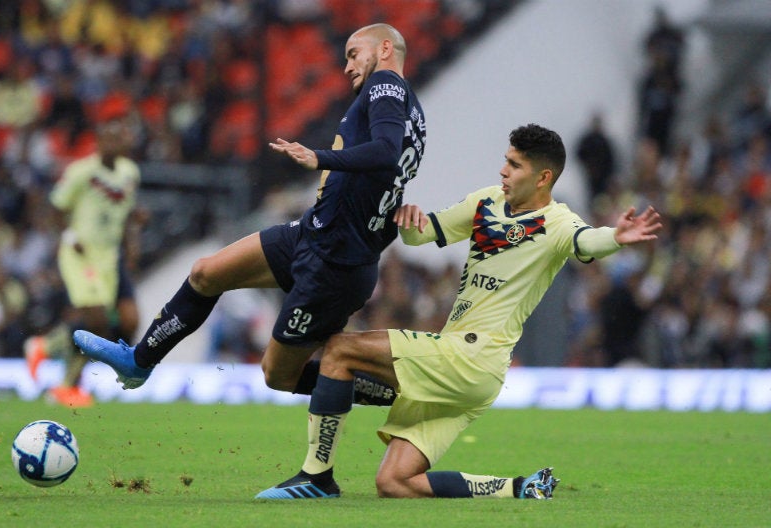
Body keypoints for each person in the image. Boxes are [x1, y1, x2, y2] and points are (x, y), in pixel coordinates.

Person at [256, 124, 662, 500]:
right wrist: (408, 216)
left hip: (471, 358)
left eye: (515, 164)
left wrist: (617, 237)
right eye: (505, 159)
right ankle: (522, 488)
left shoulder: (557, 222)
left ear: (543, 178)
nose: (503, 170)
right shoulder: (486, 202)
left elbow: (587, 241)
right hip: (470, 371)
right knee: (394, 483)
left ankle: (316, 478)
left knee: (341, 350)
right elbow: (420, 235)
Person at [73, 23, 426, 406]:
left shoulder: (385, 86)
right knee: (206, 273)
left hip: (334, 260)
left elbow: (386, 153)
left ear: (386, 48)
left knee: (278, 374)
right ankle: (138, 362)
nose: (346, 66)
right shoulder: (414, 113)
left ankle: (399, 390)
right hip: (312, 234)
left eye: (353, 54)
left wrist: (318, 157)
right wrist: (394, 212)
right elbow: (386, 177)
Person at [24, 103, 143, 408]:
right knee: (97, 319)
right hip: (81, 253)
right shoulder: (81, 172)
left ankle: (49, 353)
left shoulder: (130, 173)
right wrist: (70, 235)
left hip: (109, 255)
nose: (117, 143)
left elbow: (126, 214)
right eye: (110, 137)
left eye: (122, 137)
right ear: (99, 141)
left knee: (121, 323)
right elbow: (56, 207)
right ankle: (64, 377)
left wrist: (132, 243)